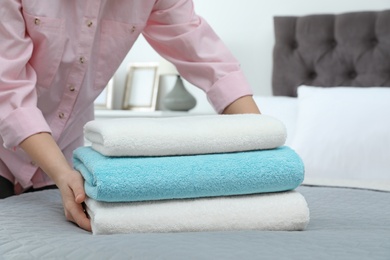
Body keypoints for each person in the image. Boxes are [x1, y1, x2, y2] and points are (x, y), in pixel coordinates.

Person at [0, 0, 261, 231]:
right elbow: (8, 89)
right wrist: (62, 174)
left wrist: (262, 146)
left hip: (65, 157)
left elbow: (213, 64)